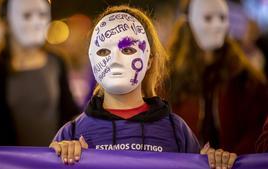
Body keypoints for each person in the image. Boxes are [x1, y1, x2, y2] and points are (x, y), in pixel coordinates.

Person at [49, 5, 237, 169]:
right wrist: (58, 156)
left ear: (149, 61)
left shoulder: (176, 130)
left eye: (128, 50)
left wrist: (215, 162)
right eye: (105, 51)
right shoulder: (71, 134)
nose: (115, 60)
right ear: (92, 56)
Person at [0, 0, 79, 146]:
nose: (37, 22)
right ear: (7, 22)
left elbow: (68, 111)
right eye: (27, 15)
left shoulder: (56, 62)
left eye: (42, 15)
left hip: (52, 161)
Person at [165, 0, 268, 154]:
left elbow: (257, 128)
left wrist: (233, 157)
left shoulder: (244, 77)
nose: (218, 25)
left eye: (222, 18)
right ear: (189, 23)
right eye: (208, 18)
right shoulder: (169, 77)